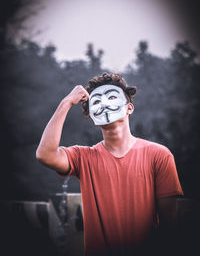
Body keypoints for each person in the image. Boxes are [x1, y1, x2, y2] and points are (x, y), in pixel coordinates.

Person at [36, 72, 184, 256]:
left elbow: (169, 228)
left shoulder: (159, 155)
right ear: (91, 114)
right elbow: (45, 154)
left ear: (129, 108)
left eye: (112, 97)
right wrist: (66, 102)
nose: (104, 104)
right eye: (96, 102)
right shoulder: (83, 157)